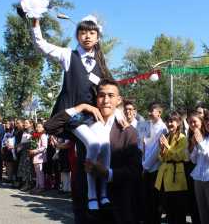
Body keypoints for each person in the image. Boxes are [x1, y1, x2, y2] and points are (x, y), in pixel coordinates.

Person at [30, 14, 116, 211]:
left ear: (98, 37)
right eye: (83, 32)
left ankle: (103, 194)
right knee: (94, 144)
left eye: (92, 32)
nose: (87, 36)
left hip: (94, 115)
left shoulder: (101, 63)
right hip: (73, 115)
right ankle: (92, 195)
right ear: (77, 35)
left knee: (106, 146)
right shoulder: (68, 55)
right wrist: (35, 23)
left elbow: (108, 90)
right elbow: (41, 45)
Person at [45, 79, 142, 224]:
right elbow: (50, 126)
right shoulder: (84, 124)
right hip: (86, 206)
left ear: (118, 100)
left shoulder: (128, 132)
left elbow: (135, 170)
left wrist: (107, 173)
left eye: (111, 95)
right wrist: (81, 107)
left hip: (116, 207)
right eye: (101, 95)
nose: (106, 100)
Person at [155, 112, 188, 224]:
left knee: (178, 211)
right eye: (168, 121)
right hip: (165, 177)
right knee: (168, 210)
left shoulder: (182, 138)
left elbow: (180, 156)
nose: (169, 124)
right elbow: (161, 158)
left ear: (178, 123)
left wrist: (167, 147)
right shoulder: (167, 136)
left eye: (172, 121)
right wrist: (162, 149)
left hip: (176, 178)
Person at [140, 103, 168, 224]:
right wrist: (142, 164)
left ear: (159, 113)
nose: (149, 113)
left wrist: (145, 166)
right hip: (144, 167)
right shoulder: (145, 124)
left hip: (155, 169)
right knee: (145, 201)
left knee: (155, 202)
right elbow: (141, 146)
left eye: (152, 111)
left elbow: (158, 150)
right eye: (149, 111)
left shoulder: (164, 128)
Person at [29, 122, 48, 194]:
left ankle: (41, 187)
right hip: (35, 156)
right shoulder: (36, 135)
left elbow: (44, 147)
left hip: (40, 157)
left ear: (43, 128)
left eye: (39, 127)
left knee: (40, 172)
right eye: (37, 127)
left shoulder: (43, 136)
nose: (37, 128)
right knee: (37, 173)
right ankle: (37, 186)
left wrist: (35, 151)